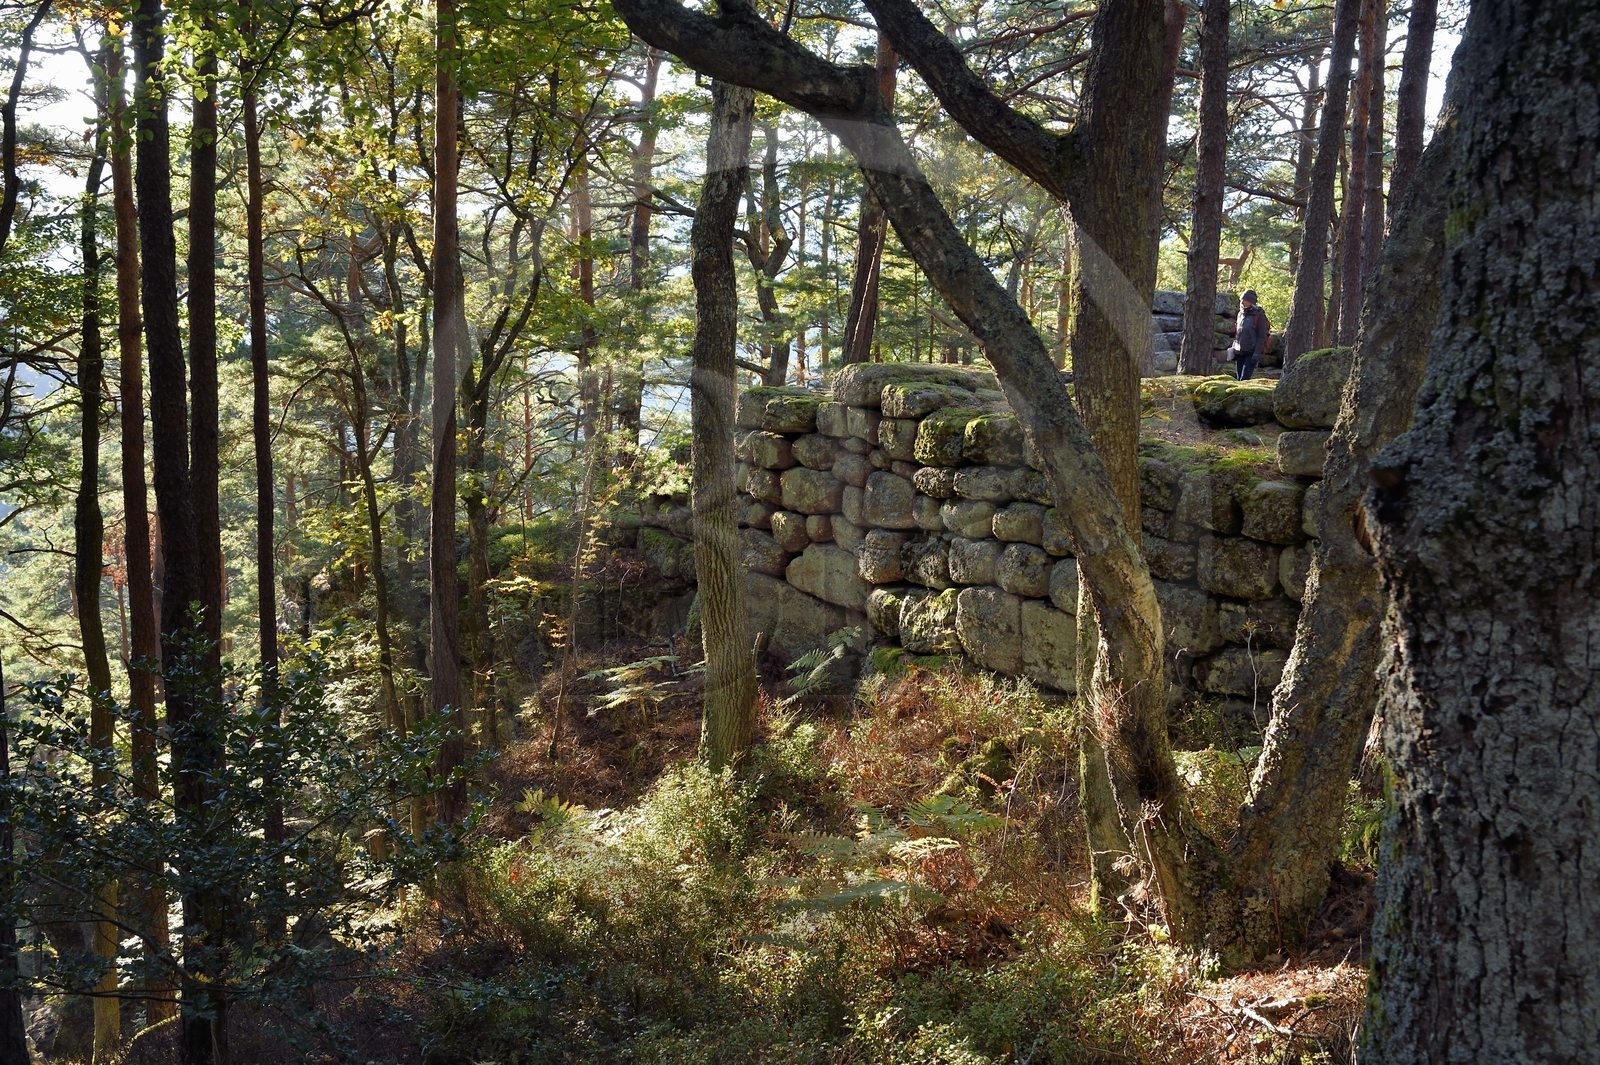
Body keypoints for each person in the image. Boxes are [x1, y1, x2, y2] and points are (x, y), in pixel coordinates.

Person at [1232, 290, 1271, 380]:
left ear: (1251, 302)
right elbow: (1238, 332)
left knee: (1244, 379)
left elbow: (1262, 336)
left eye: (1244, 300)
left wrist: (1257, 353)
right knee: (1238, 379)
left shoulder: (1259, 315)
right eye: (1241, 299)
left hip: (1252, 352)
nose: (1242, 302)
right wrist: (1234, 348)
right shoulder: (1240, 314)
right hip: (1239, 351)